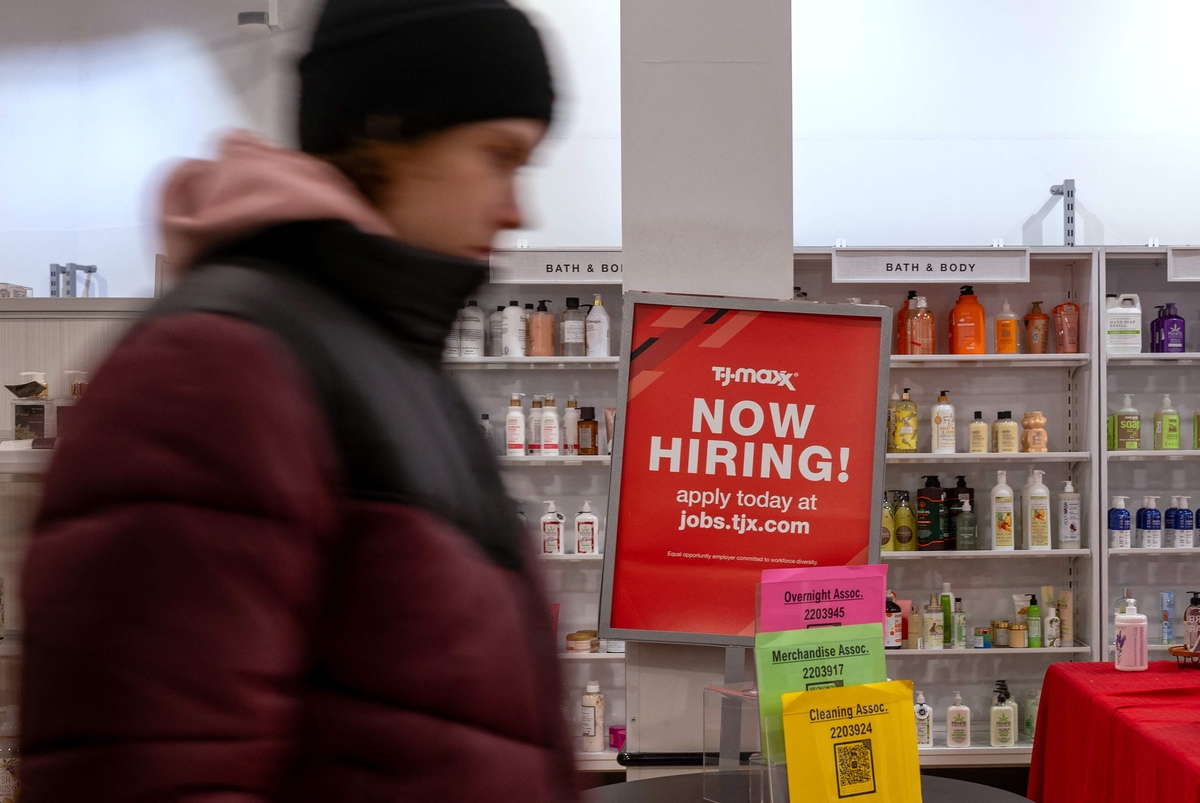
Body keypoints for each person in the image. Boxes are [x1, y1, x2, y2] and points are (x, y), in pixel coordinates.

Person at [19, 1, 576, 800]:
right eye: (499, 155)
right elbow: (157, 763)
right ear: (386, 131)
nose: (519, 209)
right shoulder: (217, 368)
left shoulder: (381, 361)